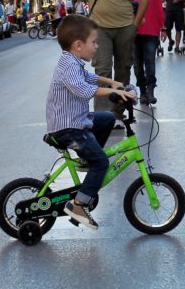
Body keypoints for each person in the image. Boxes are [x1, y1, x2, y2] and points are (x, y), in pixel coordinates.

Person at [45, 15, 136, 230]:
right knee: (102, 162)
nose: (96, 47)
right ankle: (78, 205)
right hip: (68, 128)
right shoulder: (68, 65)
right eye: (93, 42)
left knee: (106, 118)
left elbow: (89, 77)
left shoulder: (72, 61)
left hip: (77, 121)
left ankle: (89, 158)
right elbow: (84, 90)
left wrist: (111, 81)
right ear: (78, 45)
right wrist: (114, 91)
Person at [61, 0, 148, 119]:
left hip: (126, 27)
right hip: (99, 28)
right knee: (102, 70)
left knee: (123, 71)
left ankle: (118, 114)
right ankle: (103, 116)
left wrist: (135, 24)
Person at [133, 0, 164, 104]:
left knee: (150, 62)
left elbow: (158, 10)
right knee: (137, 65)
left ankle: (151, 89)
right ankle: (142, 92)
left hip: (150, 32)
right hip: (132, 32)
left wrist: (162, 28)